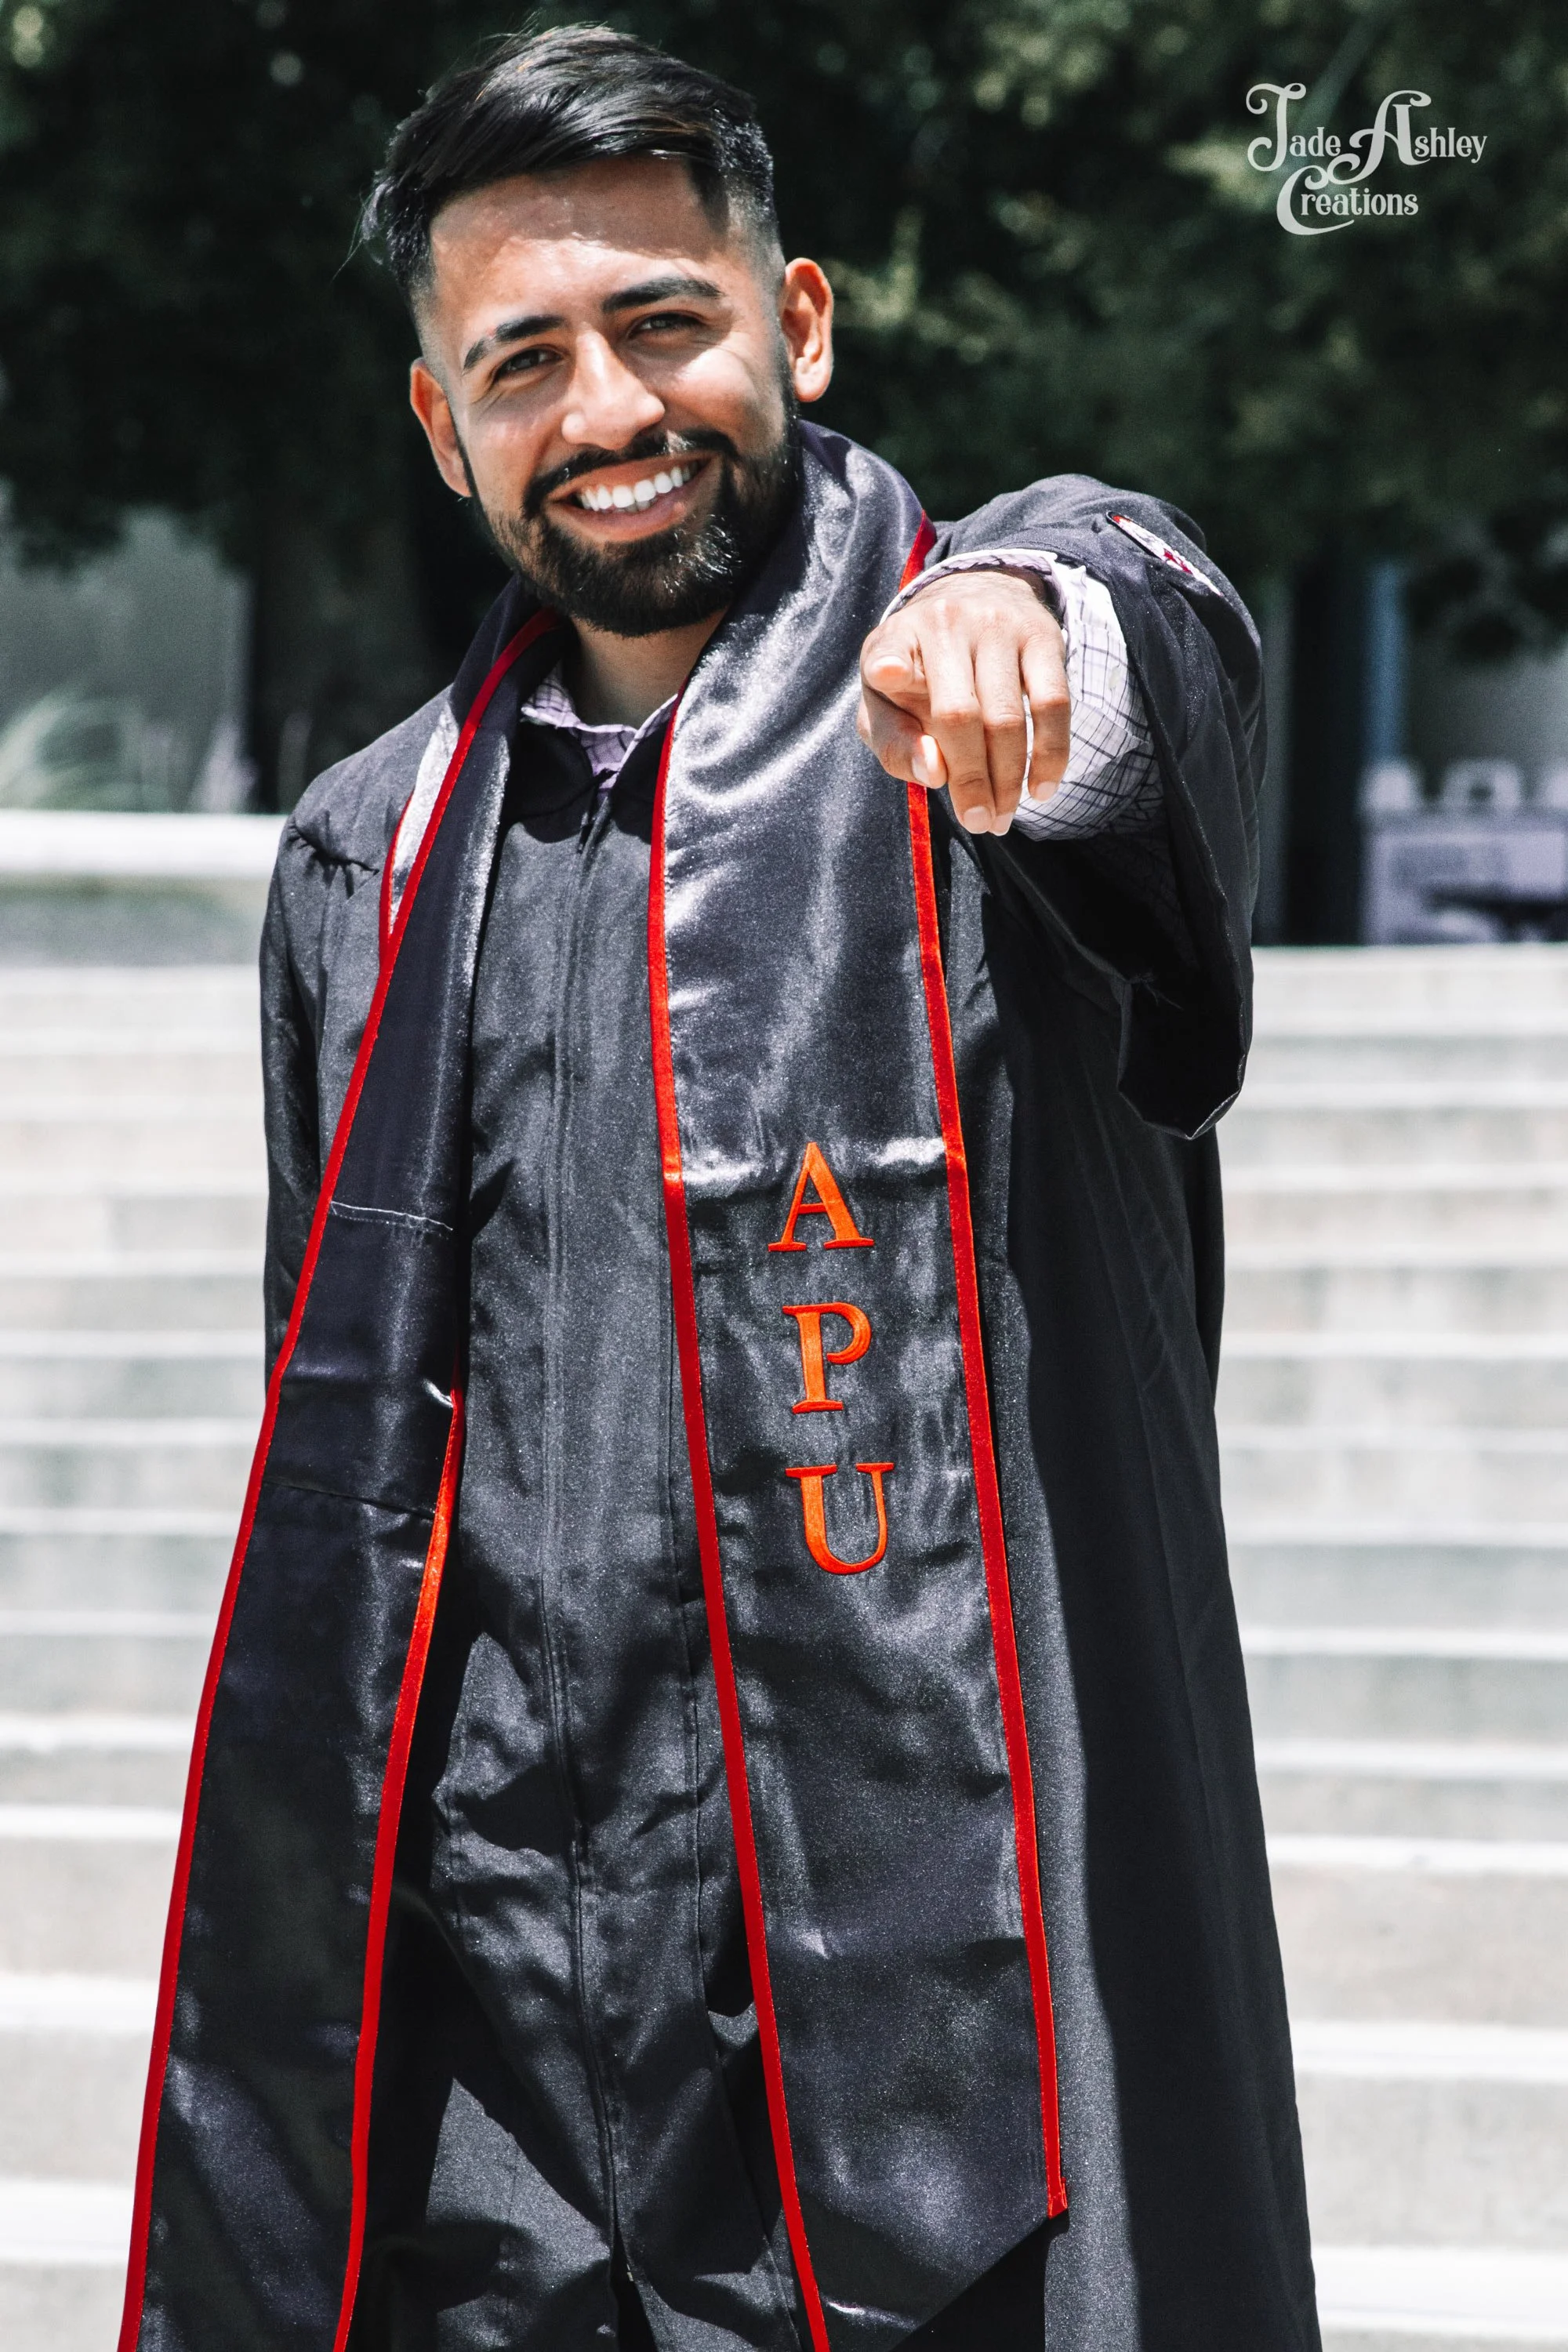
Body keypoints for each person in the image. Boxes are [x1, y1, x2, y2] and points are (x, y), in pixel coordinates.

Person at [118, 27, 1319, 2352]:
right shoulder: (368, 858)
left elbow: (1150, 608)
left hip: (927, 2045)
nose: (608, 408)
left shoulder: (971, 738)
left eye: (669, 321)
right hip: (497, 2071)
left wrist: (1043, 622)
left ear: (804, 321)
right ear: (441, 425)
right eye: (524, 359)